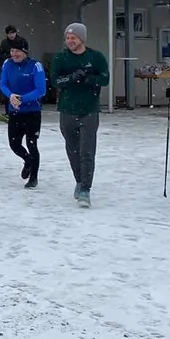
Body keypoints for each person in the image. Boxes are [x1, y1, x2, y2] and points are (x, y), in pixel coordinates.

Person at [49, 22, 109, 208]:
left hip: (89, 109)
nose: (70, 41)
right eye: (67, 38)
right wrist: (70, 78)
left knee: (87, 151)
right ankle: (78, 179)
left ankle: (85, 189)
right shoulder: (61, 57)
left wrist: (88, 78)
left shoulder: (95, 57)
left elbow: (105, 78)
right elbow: (54, 80)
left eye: (73, 38)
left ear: (81, 39)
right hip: (67, 109)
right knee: (72, 149)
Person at [0, 35, 46, 189]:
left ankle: (34, 177)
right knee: (14, 143)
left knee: (32, 144)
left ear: (25, 52)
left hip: (32, 111)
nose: (14, 54)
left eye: (18, 51)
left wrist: (22, 98)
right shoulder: (7, 64)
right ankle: (28, 161)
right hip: (15, 111)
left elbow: (41, 89)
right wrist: (10, 96)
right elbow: (3, 83)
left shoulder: (35, 65)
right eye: (12, 50)